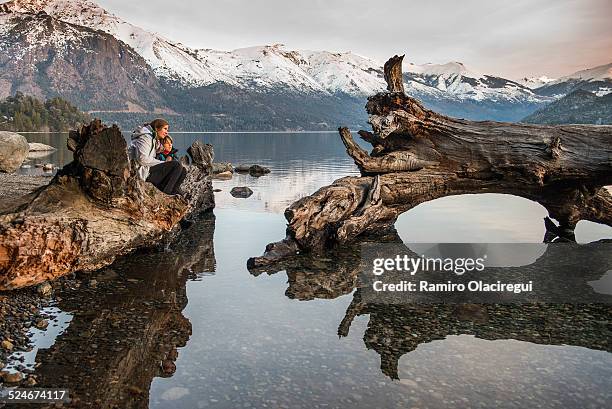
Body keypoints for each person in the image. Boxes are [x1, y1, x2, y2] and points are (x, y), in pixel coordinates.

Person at [130, 118, 186, 195]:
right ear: (157, 128)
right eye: (165, 129)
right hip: (141, 172)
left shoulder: (152, 138)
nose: (167, 132)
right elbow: (142, 159)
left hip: (147, 169)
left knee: (183, 170)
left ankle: (174, 192)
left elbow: (160, 149)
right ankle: (167, 193)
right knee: (176, 165)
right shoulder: (145, 137)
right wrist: (163, 163)